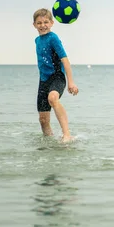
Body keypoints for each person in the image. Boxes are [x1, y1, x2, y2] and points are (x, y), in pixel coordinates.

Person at [33, 8, 78, 143]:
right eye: (39, 23)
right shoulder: (37, 40)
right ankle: (49, 142)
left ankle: (67, 135)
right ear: (34, 25)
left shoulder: (53, 38)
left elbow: (65, 60)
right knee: (43, 119)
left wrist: (71, 82)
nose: (43, 25)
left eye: (46, 22)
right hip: (44, 80)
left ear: (52, 23)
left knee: (53, 98)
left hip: (57, 76)